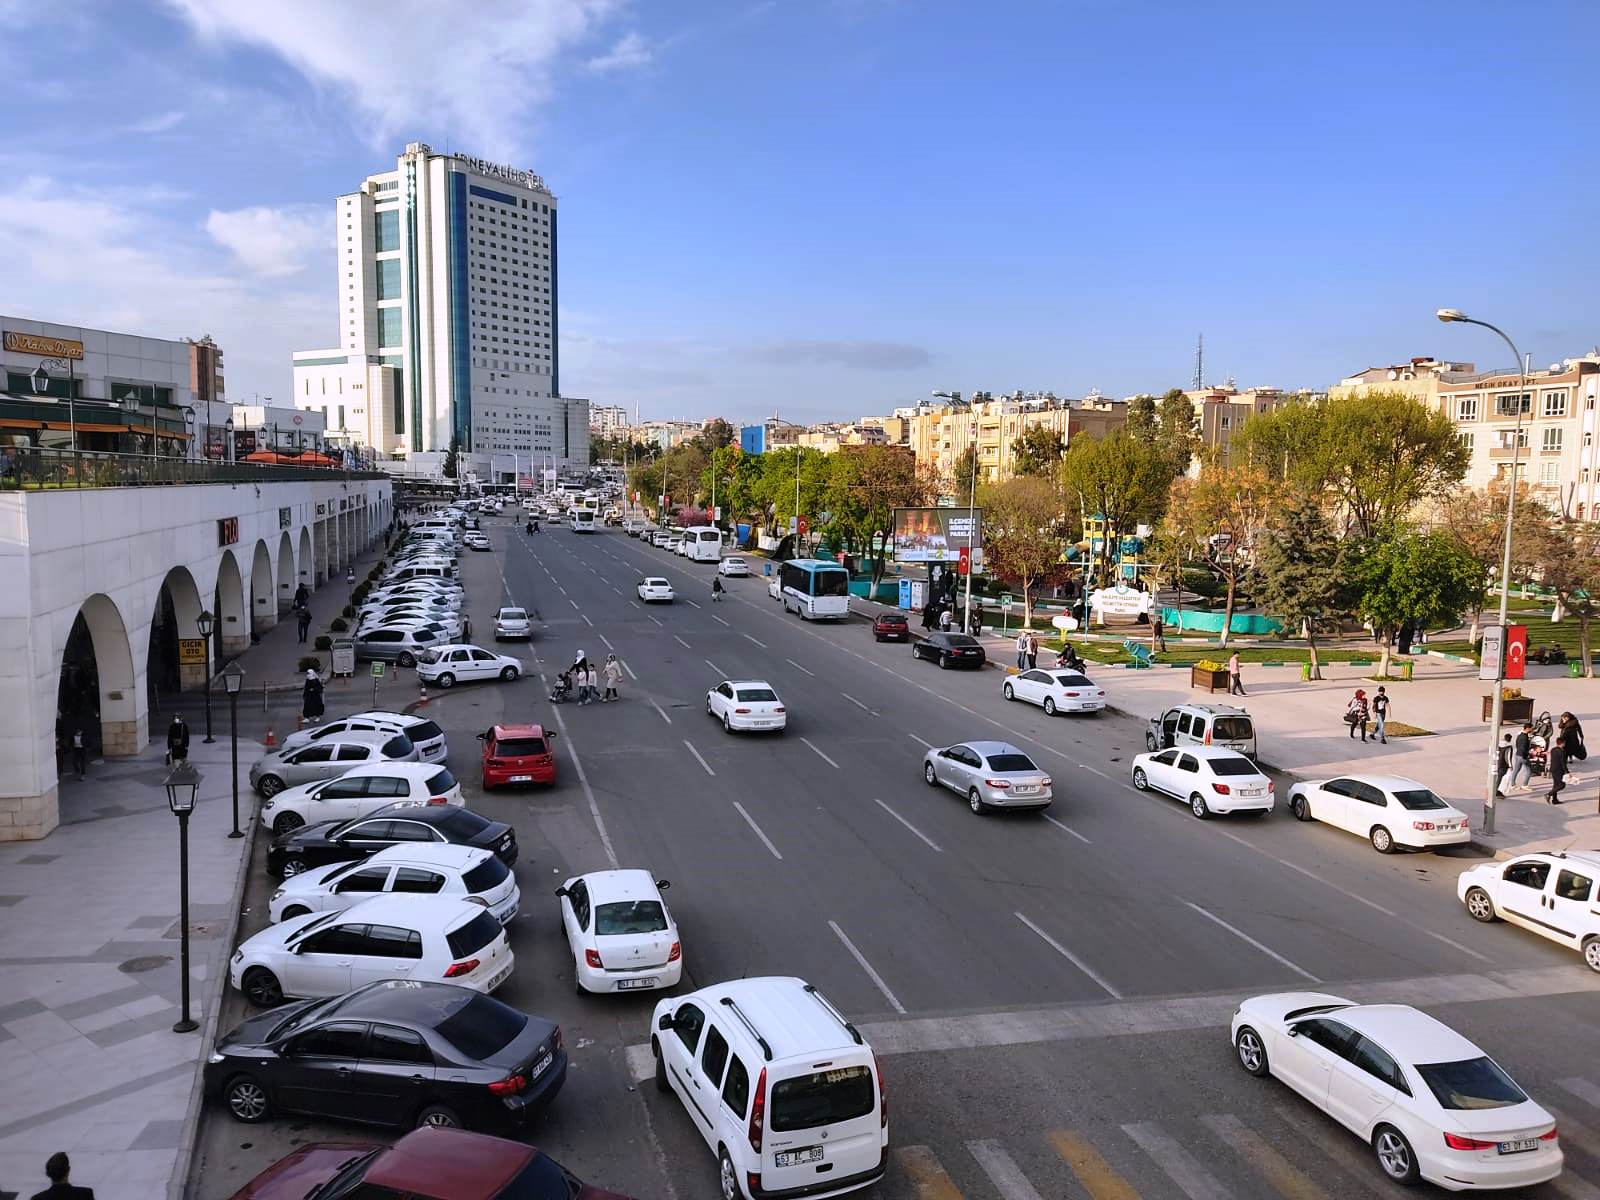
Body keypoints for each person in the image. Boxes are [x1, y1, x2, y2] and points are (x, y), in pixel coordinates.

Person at [1548, 711, 1586, 804]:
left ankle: (1554, 799)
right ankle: (1550, 795)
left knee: (1568, 753)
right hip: (1565, 742)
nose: (1564, 719)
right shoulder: (1564, 724)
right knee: (1560, 784)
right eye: (1563, 718)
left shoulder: (1573, 723)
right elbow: (1561, 727)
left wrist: (1581, 737)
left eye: (1565, 718)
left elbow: (1578, 730)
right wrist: (1567, 772)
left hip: (1571, 741)